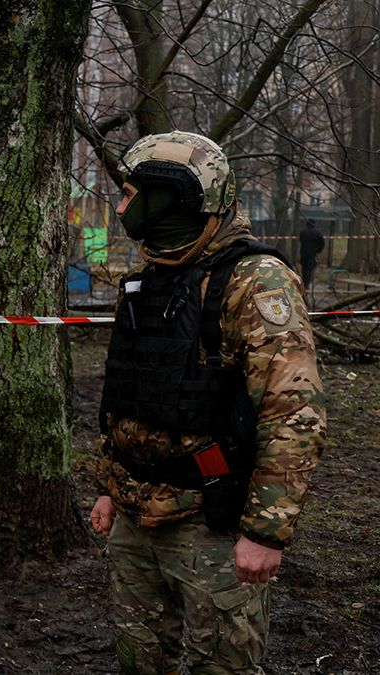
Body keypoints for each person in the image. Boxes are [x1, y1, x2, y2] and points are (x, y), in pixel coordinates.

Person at [90, 131, 326, 674]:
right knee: (140, 658)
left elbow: (294, 416)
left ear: (173, 197)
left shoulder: (255, 283)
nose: (122, 207)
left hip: (211, 521)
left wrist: (265, 533)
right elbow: (128, 395)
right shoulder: (150, 278)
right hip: (134, 515)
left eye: (130, 194)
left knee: (221, 664)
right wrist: (109, 486)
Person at [298, 220, 325, 295]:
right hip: (312, 253)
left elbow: (301, 240)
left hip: (303, 253)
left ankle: (304, 283)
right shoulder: (317, 233)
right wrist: (318, 250)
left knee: (304, 269)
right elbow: (322, 243)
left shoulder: (303, 233)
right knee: (310, 269)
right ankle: (307, 284)